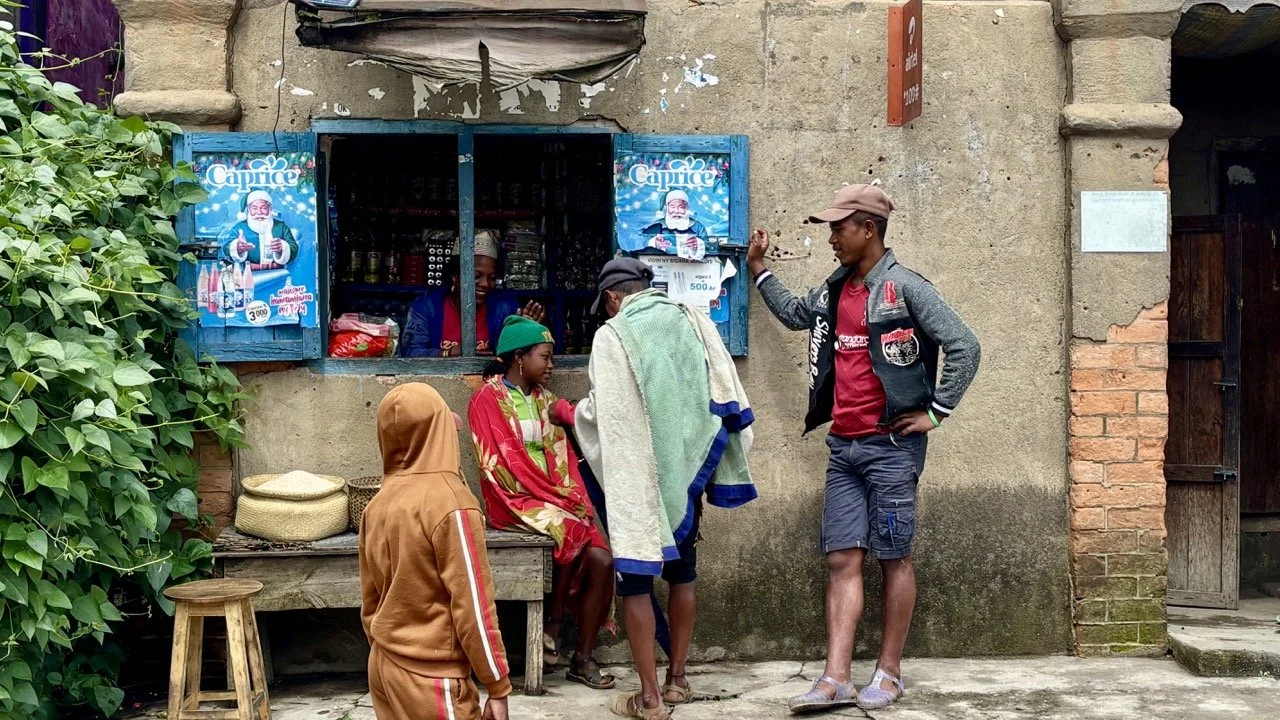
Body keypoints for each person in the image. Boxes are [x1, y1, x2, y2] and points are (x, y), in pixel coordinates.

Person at [747, 184, 980, 713]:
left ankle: (889, 673)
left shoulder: (904, 288)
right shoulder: (834, 292)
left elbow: (965, 344)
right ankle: (836, 679)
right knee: (841, 558)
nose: (831, 238)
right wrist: (759, 270)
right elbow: (792, 314)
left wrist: (937, 411)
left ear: (867, 230)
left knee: (894, 557)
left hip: (892, 447)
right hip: (843, 449)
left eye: (838, 227)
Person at [556, 258, 757, 720]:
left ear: (611, 297)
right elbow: (719, 387)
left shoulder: (614, 335)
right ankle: (678, 682)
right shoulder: (692, 320)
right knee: (683, 576)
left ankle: (647, 699)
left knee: (637, 587)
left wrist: (570, 415)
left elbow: (608, 414)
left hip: (640, 484)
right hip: (686, 477)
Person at [468, 315, 617, 690]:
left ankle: (582, 657)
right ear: (520, 358)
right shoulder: (486, 401)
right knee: (568, 527)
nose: (551, 365)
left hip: (552, 497)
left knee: (602, 557)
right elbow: (498, 465)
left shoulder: (547, 402)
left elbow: (563, 463)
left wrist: (563, 497)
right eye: (545, 357)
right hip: (511, 498)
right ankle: (552, 623)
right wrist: (554, 498)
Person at [359, 383, 512, 720]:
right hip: (432, 679)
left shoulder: (378, 504)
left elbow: (370, 600)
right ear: (440, 430)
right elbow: (473, 604)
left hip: (384, 665)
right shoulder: (452, 503)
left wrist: (388, 645)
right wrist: (497, 684)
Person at [402, 230, 546, 357]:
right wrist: (450, 353)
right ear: (455, 276)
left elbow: (515, 358)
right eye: (476, 276)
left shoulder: (506, 308)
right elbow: (410, 353)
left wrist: (525, 335)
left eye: (491, 278)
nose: (485, 284)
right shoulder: (427, 306)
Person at [221, 189, 298, 269]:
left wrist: (282, 247)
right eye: (254, 208)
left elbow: (294, 248)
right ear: (249, 209)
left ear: (270, 208)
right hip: (247, 273)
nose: (259, 212)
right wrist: (237, 247)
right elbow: (226, 248)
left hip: (276, 273)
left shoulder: (281, 227)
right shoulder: (239, 228)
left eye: (263, 208)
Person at [641, 190, 708, 257]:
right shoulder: (658, 226)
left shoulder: (698, 227)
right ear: (667, 208)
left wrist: (699, 244)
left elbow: (709, 246)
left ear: (687, 208)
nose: (676, 211)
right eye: (672, 207)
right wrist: (654, 243)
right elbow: (642, 243)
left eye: (681, 207)